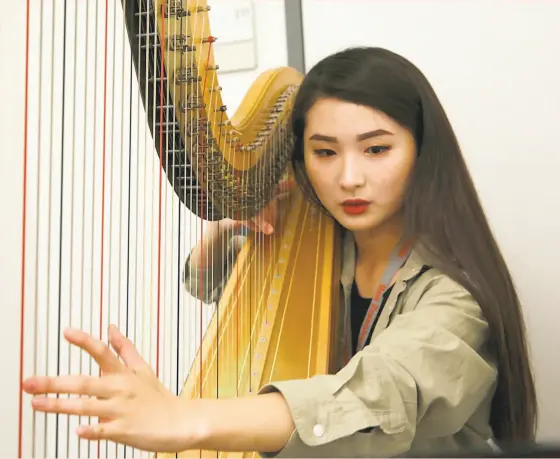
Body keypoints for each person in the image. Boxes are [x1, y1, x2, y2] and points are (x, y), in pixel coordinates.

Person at [22, 47, 537, 457]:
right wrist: (226, 226)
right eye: (325, 152)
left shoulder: (456, 293)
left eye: (376, 149)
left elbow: (380, 395)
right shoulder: (325, 244)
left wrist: (184, 417)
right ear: (300, 159)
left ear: (422, 151)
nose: (349, 177)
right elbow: (207, 283)